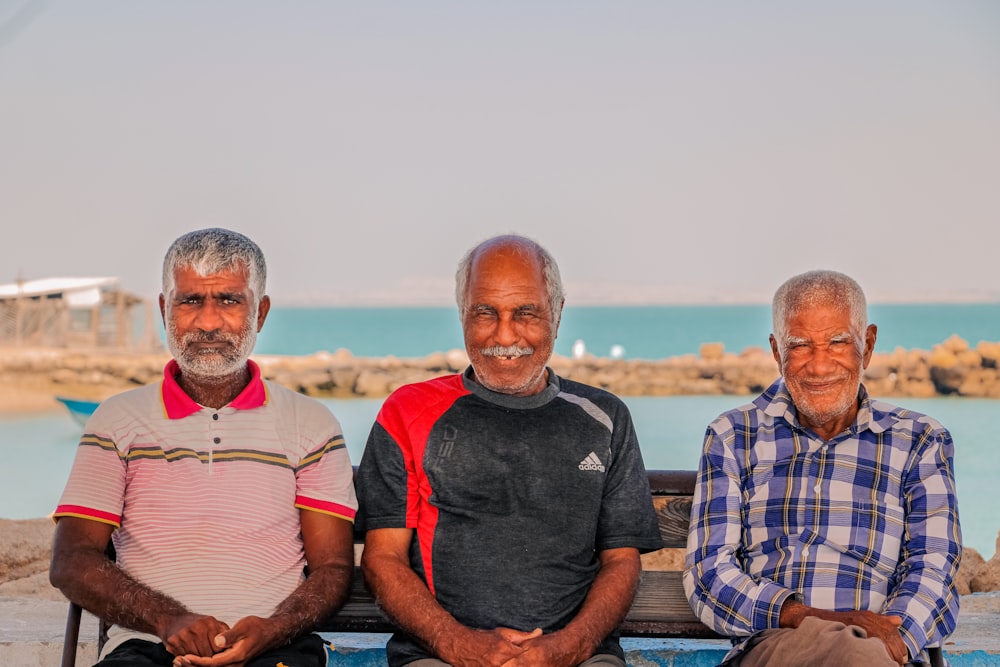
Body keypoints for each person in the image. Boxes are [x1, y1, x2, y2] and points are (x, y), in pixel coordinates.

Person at [49, 228, 358, 667]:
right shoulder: (116, 421)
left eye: (229, 301)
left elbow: (332, 569)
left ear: (261, 311)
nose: (208, 323)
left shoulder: (310, 424)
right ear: (164, 309)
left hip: (276, 648)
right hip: (146, 647)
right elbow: (71, 560)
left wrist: (272, 629)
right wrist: (169, 620)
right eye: (190, 301)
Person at [356, 234, 663, 667]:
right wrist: (457, 643)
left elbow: (621, 561)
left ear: (556, 314)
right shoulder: (406, 412)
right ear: (463, 313)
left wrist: (567, 648)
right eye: (485, 312)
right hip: (439, 656)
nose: (505, 335)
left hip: (579, 658)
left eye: (525, 313)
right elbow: (382, 559)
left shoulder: (604, 417)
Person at [683, 270, 961, 667]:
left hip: (884, 651)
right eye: (800, 346)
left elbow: (933, 570)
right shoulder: (734, 435)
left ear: (866, 346)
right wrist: (812, 619)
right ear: (777, 352)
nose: (818, 365)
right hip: (779, 646)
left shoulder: (920, 440)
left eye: (837, 342)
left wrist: (885, 639)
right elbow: (710, 576)